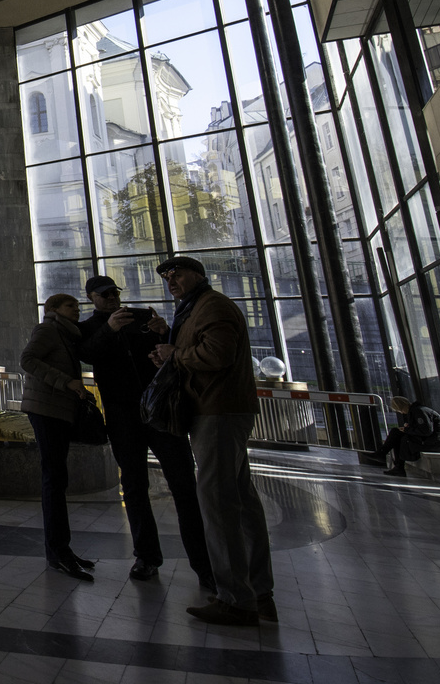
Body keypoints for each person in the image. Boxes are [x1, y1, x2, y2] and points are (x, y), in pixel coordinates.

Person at [148, 255, 274, 626]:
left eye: (178, 273)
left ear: (200, 276)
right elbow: (196, 353)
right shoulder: (193, 309)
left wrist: (176, 354)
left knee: (218, 503)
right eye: (167, 276)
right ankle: (257, 592)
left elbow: (218, 354)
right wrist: (169, 351)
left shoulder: (212, 306)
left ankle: (236, 599)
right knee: (240, 499)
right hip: (216, 409)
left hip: (217, 411)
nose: (171, 280)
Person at [79, 275, 215, 588]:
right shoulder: (90, 328)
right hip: (122, 415)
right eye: (104, 295)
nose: (111, 298)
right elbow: (87, 354)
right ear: (91, 299)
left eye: (114, 293)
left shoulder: (143, 317)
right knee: (134, 484)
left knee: (183, 484)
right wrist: (109, 328)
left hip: (160, 411)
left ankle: (204, 563)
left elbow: (171, 352)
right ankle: (146, 556)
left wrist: (164, 332)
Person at [21, 293, 98, 581]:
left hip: (58, 411)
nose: (77, 311)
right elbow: (27, 359)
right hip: (46, 411)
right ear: (53, 309)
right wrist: (66, 382)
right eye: (71, 306)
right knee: (54, 479)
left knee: (57, 478)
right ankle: (57, 553)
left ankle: (61, 550)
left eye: (78, 307)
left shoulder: (67, 334)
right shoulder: (48, 329)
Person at [371, 395, 440, 474]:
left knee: (399, 436)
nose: (400, 412)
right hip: (433, 441)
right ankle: (389, 459)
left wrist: (407, 429)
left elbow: (426, 431)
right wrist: (408, 428)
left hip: (434, 443)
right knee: (396, 433)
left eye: (398, 410)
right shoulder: (416, 410)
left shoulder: (419, 411)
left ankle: (384, 455)